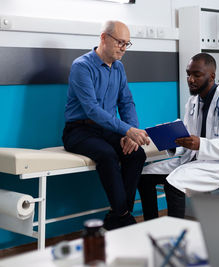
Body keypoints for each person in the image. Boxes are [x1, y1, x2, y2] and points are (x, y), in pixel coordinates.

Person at [138, 53, 219, 219]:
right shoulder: (193, 102)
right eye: (188, 74)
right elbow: (188, 138)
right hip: (193, 160)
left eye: (196, 75)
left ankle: (176, 235)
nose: (190, 79)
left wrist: (201, 145)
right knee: (144, 176)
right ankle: (152, 226)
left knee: (173, 184)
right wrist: (170, 139)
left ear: (211, 76)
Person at [62, 20, 149, 230]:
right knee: (108, 155)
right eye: (120, 42)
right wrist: (126, 129)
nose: (124, 48)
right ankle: (124, 218)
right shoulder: (82, 66)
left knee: (136, 154)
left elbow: (126, 102)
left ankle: (117, 216)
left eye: (127, 44)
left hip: (107, 130)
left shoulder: (119, 68)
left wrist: (131, 134)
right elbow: (92, 109)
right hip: (79, 130)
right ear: (103, 37)